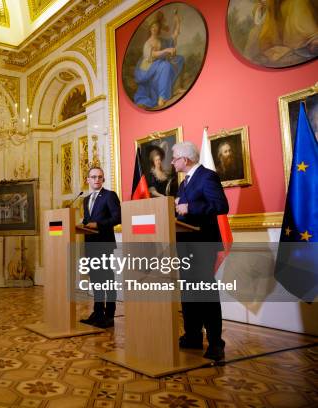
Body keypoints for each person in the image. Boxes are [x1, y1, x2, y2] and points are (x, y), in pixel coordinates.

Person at [172, 141, 229, 361]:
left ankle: (216, 343)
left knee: (205, 293)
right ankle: (193, 336)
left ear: (185, 160)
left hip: (203, 244)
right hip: (184, 245)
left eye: (174, 157)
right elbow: (183, 211)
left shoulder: (207, 176)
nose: (172, 161)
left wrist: (190, 207)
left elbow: (221, 205)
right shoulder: (184, 182)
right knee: (188, 292)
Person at [79, 166, 122, 329]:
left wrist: (98, 224)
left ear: (103, 179)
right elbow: (87, 221)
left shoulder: (109, 196)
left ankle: (109, 316)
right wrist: (82, 224)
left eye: (100, 177)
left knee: (108, 281)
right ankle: (97, 313)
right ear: (88, 180)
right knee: (96, 281)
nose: (97, 179)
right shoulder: (85, 199)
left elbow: (118, 217)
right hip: (90, 244)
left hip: (104, 244)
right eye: (93, 177)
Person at [133, 9, 184, 109]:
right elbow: (151, 55)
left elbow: (173, 38)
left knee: (180, 59)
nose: (154, 28)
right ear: (150, 29)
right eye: (152, 27)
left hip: (161, 63)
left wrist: (178, 22)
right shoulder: (148, 43)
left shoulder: (161, 40)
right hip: (150, 67)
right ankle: (162, 97)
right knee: (166, 66)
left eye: (156, 26)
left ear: (159, 28)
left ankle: (176, 88)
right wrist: (166, 51)